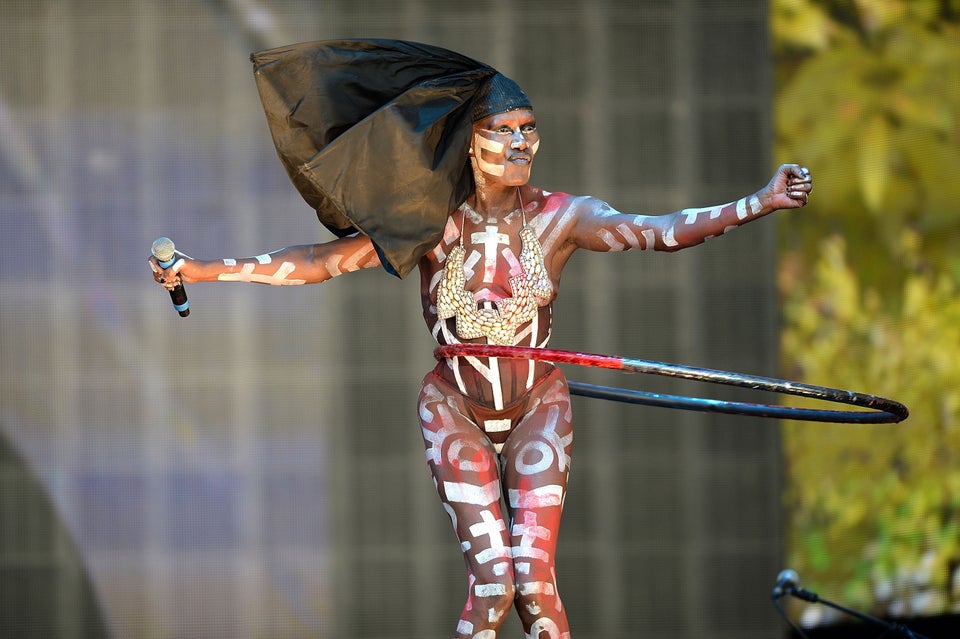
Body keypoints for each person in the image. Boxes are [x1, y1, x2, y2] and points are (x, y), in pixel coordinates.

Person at [150, 41, 812, 639]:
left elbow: (659, 230)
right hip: (455, 409)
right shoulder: (429, 221)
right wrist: (205, 269)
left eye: (530, 132)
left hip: (537, 409)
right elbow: (322, 262)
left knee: (537, 588)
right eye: (504, 133)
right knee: (493, 581)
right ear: (471, 142)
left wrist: (760, 201)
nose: (521, 145)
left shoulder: (561, 218)